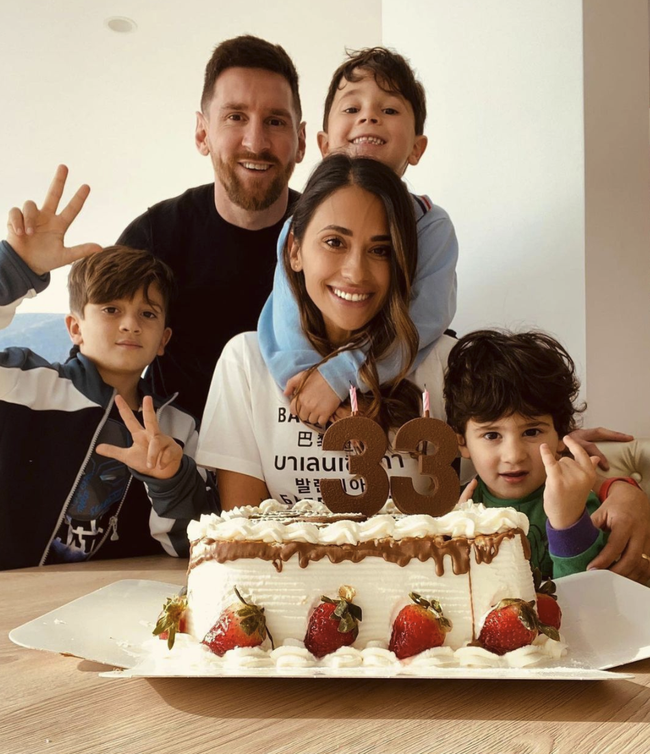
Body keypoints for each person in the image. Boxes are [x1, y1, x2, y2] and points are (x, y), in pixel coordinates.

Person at [196, 153, 455, 509]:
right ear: (294, 251)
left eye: (380, 250)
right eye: (335, 242)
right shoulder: (245, 362)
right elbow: (244, 534)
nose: (356, 272)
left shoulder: (444, 360)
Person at [0, 166, 217, 571]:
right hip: (12, 594)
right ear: (75, 328)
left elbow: (190, 546)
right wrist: (14, 268)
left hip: (114, 601)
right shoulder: (24, 383)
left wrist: (171, 479)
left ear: (164, 340)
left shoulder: (178, 427)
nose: (130, 323)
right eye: (111, 309)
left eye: (147, 314)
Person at [258, 47, 458, 427]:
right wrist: (307, 379)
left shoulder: (431, 227)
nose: (369, 116)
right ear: (323, 144)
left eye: (390, 110)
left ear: (417, 147)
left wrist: (340, 376)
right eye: (351, 109)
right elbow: (284, 315)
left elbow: (424, 319)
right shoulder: (299, 224)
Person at [113, 35, 306, 419]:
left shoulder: (331, 235)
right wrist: (20, 269)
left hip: (300, 455)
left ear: (300, 140)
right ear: (203, 133)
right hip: (176, 456)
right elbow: (95, 363)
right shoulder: (154, 237)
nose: (256, 141)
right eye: (236, 117)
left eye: (275, 121)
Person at [444, 330, 614, 578]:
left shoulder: (578, 502)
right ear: (462, 442)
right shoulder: (452, 510)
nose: (513, 455)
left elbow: (590, 599)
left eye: (532, 431)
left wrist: (568, 524)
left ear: (560, 435)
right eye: (492, 435)